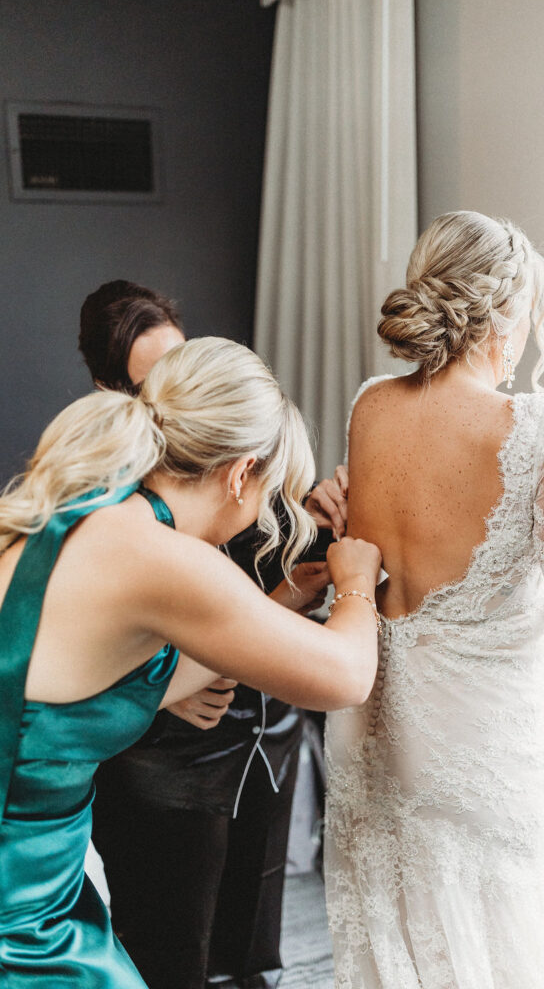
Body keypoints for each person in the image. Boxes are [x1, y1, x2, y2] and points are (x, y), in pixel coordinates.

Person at [0, 336, 381, 989]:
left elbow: (123, 675)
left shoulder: (99, 511)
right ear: (240, 473)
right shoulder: (163, 559)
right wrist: (354, 579)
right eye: (269, 488)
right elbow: (344, 677)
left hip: (37, 872)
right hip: (21, 902)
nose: (264, 508)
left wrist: (291, 594)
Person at [323, 211, 544, 989]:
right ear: (506, 311)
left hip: (373, 734)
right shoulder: (536, 426)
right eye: (532, 310)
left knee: (398, 950)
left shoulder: (371, 404)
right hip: (482, 748)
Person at [78, 281, 347, 989]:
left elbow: (241, 616)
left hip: (254, 725)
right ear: (110, 389)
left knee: (243, 942)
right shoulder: (123, 519)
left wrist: (312, 525)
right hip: (150, 767)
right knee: (169, 945)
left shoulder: (213, 484)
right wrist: (160, 694)